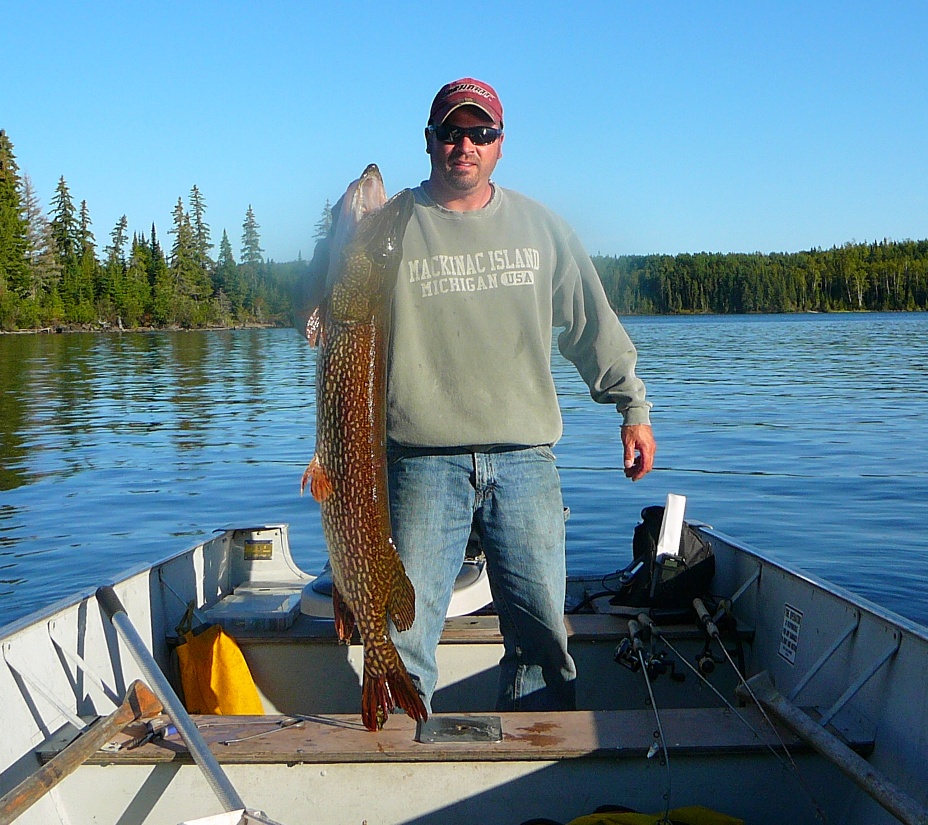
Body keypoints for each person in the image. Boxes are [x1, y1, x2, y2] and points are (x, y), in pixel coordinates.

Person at [303, 77, 655, 714]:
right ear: (431, 140)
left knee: (543, 637)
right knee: (404, 635)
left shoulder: (540, 228)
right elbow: (323, 300)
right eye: (451, 132)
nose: (465, 144)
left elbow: (589, 323)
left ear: (499, 144)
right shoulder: (391, 225)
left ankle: (536, 769)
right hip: (420, 462)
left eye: (480, 132)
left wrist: (631, 405)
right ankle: (396, 763)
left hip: (525, 461)